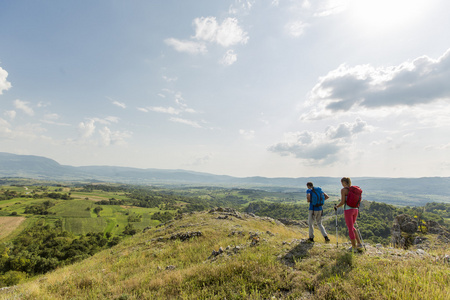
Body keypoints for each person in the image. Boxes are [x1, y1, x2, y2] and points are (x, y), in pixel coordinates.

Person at [335, 177, 363, 252]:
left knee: (350, 228)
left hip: (348, 210)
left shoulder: (343, 190)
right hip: (355, 210)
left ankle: (354, 247)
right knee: (352, 227)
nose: (341, 184)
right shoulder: (353, 190)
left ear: (344, 182)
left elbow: (343, 202)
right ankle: (359, 244)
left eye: (342, 182)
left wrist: (336, 206)